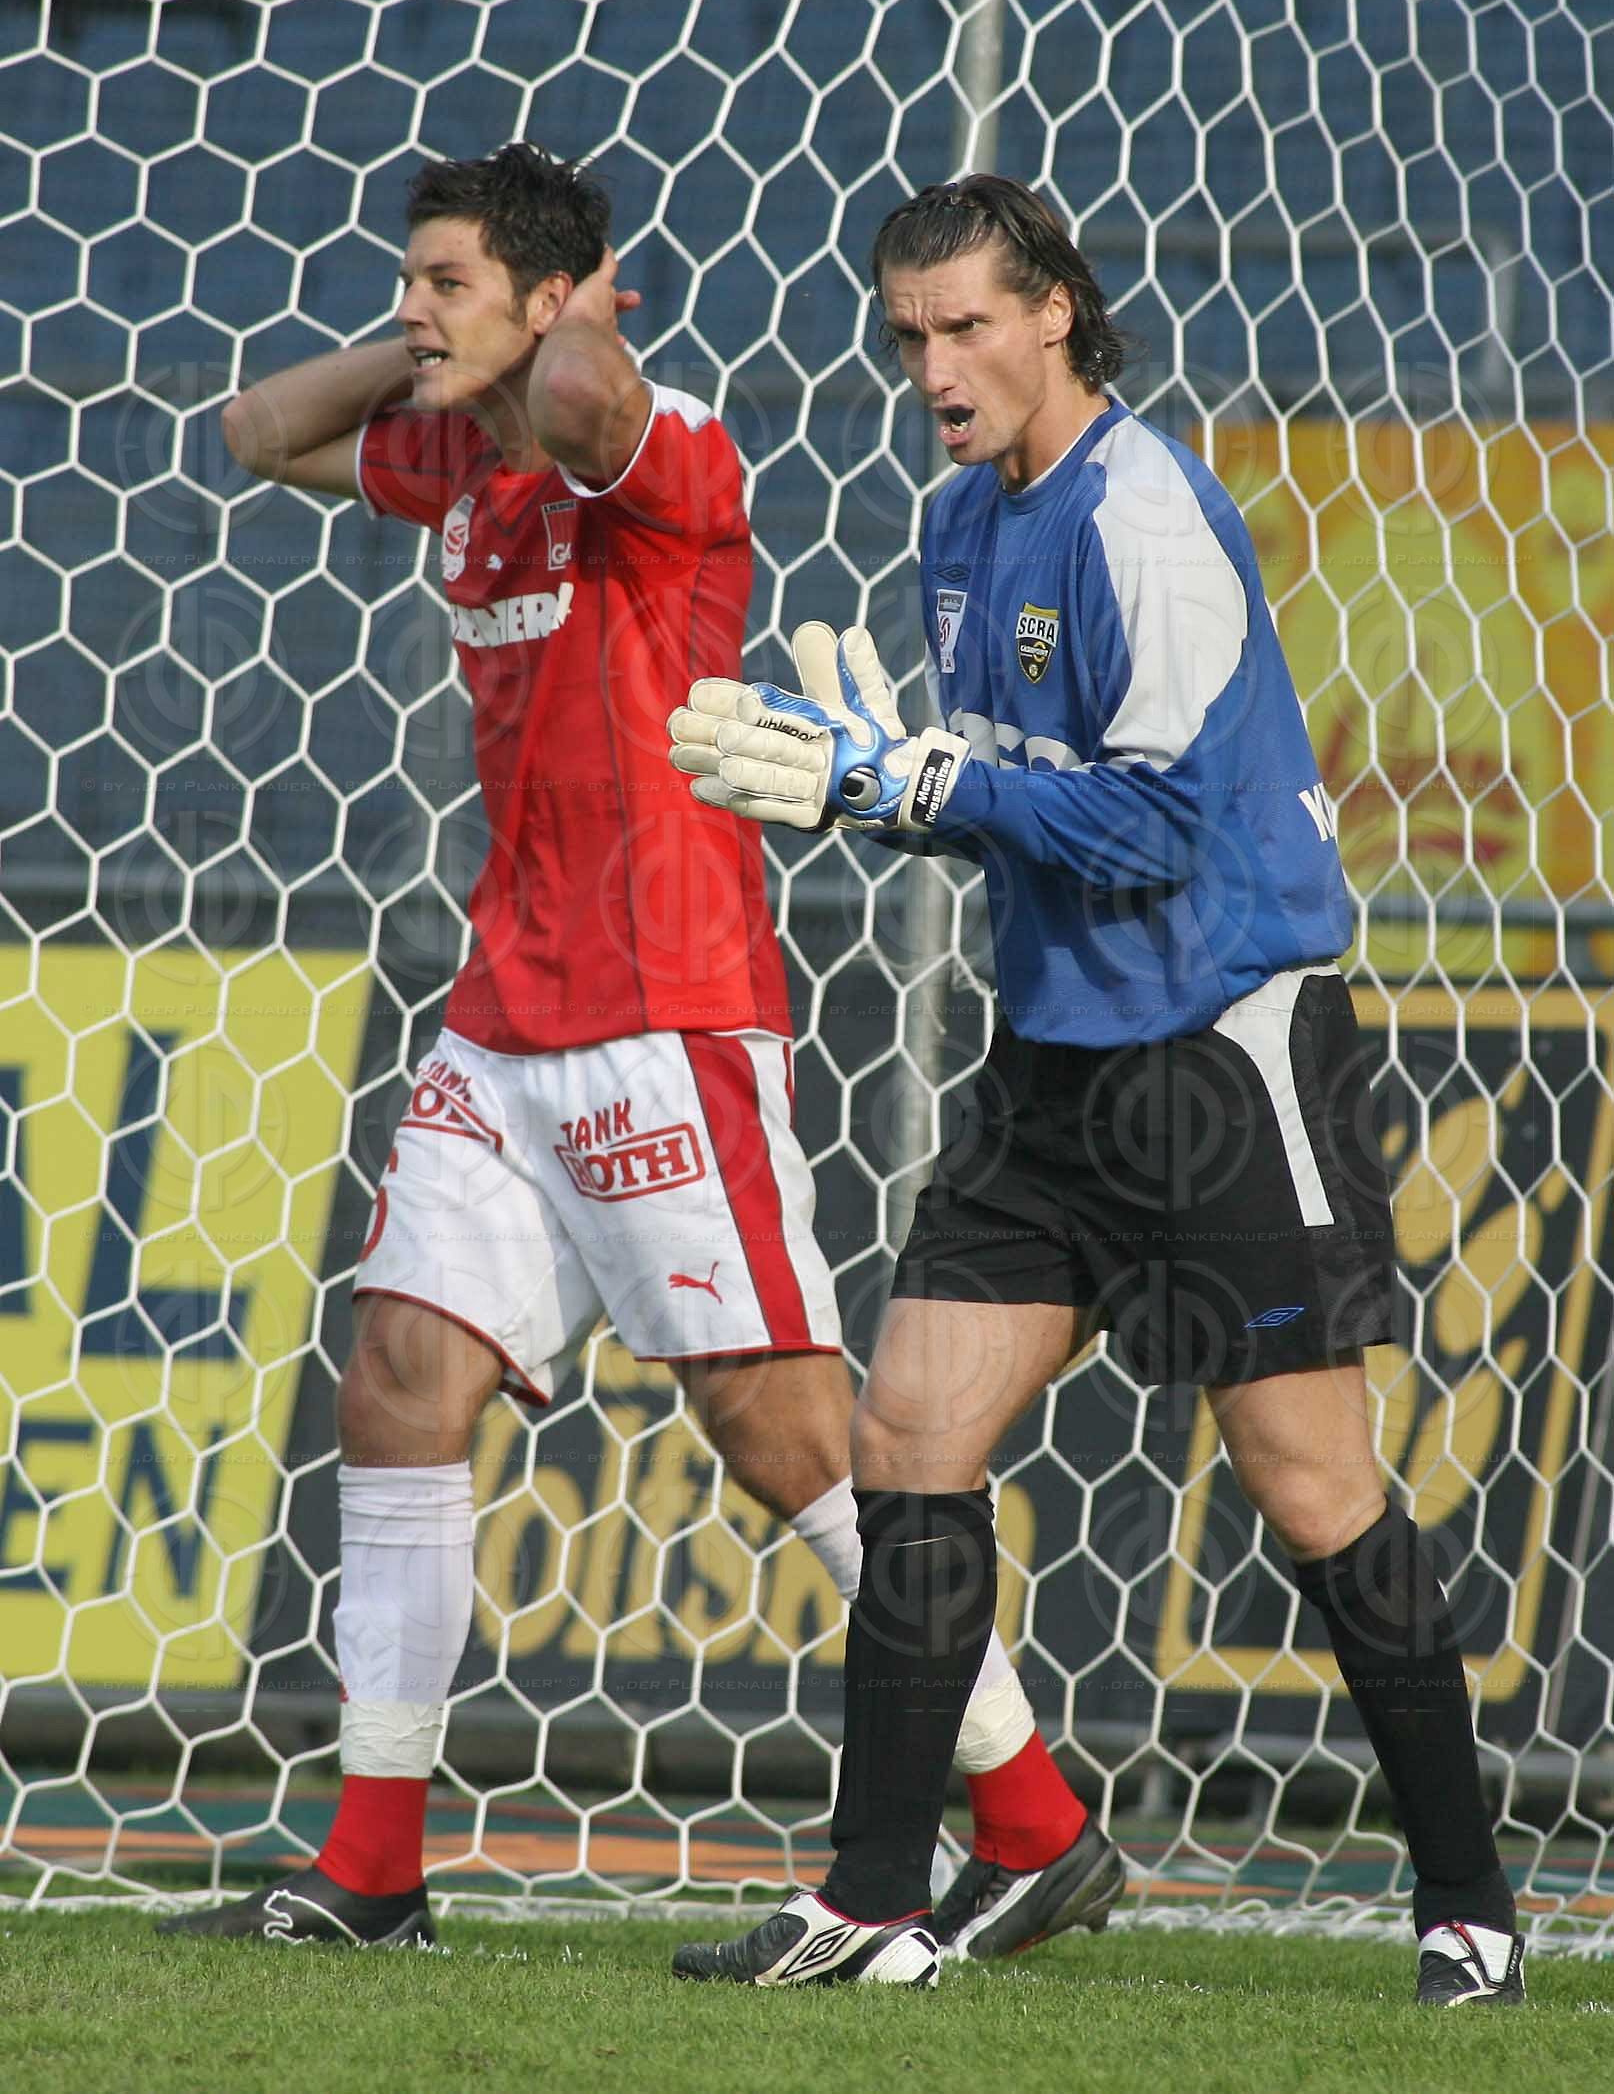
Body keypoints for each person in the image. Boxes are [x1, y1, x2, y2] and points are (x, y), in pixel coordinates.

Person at [159, 147, 1108, 1953]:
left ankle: (1034, 1810)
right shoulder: (453, 440)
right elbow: (252, 428)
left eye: (446, 280)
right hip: (505, 1014)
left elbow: (590, 395)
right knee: (396, 1387)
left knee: (781, 1433)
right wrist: (431, 342)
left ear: (557, 297)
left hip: (668, 1017)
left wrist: (546, 322)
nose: (413, 309)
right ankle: (368, 1869)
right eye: (409, 278)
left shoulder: (659, 448)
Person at [666, 174, 1524, 2005]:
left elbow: (1148, 824)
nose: (934, 366)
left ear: (1055, 310)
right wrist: (893, 768)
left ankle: (1465, 1901)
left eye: (966, 324)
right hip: (1050, 1062)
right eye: (907, 336)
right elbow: (1016, 804)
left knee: (1311, 1494)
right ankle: (874, 1902)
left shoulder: (1144, 512)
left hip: (1218, 1052)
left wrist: (913, 788)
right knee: (907, 1440)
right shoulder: (954, 524)